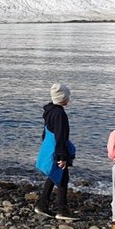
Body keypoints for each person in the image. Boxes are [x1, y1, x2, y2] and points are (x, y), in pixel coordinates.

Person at [34, 83, 79, 221]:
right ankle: (62, 209)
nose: (68, 99)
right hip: (57, 150)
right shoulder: (60, 114)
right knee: (63, 178)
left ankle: (42, 204)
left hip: (50, 148)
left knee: (54, 175)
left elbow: (46, 131)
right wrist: (62, 156)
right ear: (62, 98)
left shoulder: (50, 110)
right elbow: (60, 136)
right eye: (67, 97)